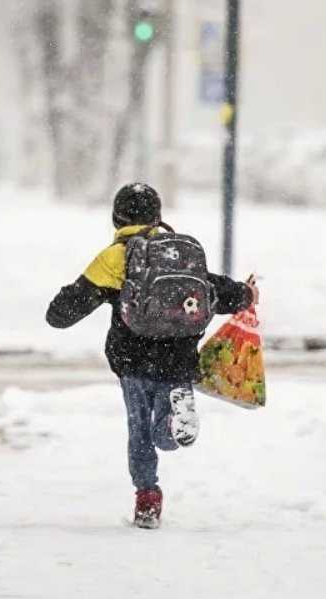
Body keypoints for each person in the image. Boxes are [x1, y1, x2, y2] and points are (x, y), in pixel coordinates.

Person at [45, 182, 258, 528]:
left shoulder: (115, 257)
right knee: (165, 435)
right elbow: (215, 289)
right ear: (159, 216)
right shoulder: (181, 252)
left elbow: (62, 314)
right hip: (180, 358)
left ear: (117, 217)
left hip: (134, 359)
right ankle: (175, 423)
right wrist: (246, 294)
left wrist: (65, 301)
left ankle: (147, 500)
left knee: (139, 431)